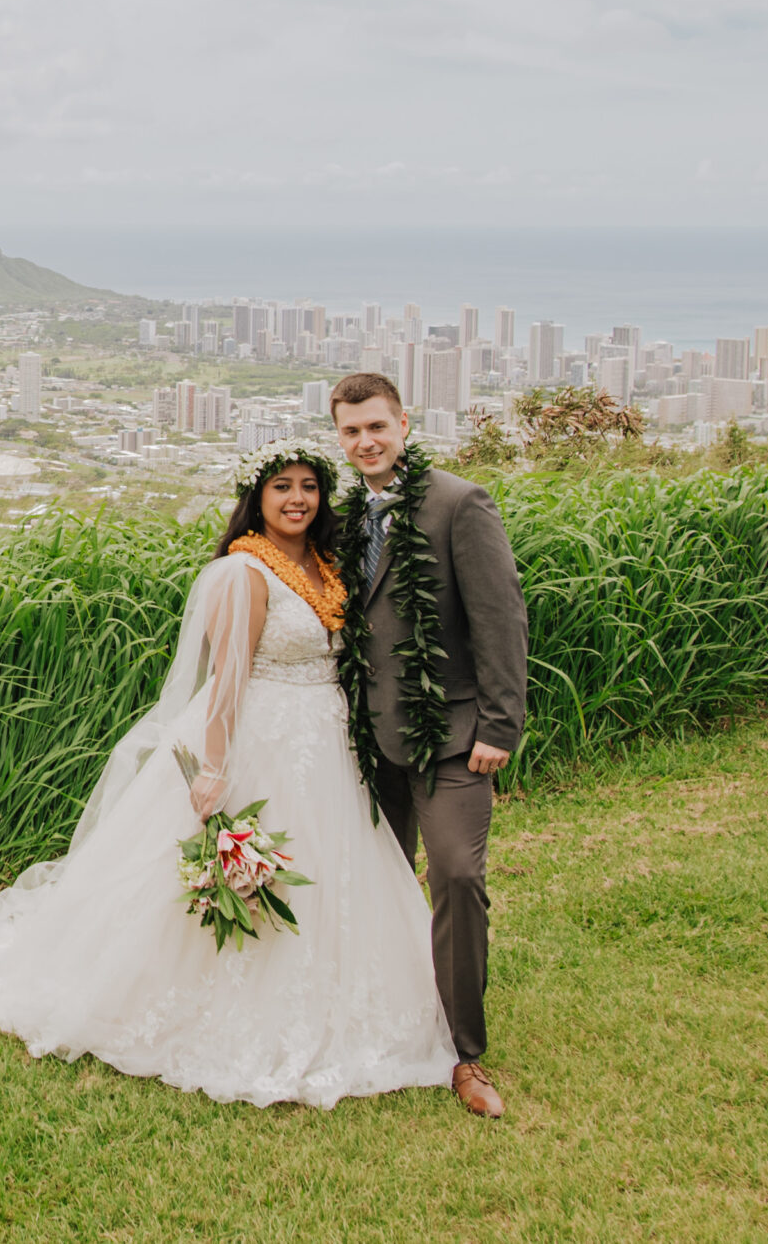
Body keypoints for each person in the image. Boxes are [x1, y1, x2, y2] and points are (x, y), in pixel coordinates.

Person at [0, 439, 456, 1109]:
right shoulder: (245, 572)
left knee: (334, 872)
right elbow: (228, 678)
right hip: (261, 734)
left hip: (325, 737)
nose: (297, 498)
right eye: (281, 486)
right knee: (244, 874)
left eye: (309, 486)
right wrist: (213, 768)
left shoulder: (324, 565)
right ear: (256, 499)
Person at [327, 371, 528, 1119]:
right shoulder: (346, 516)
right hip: (369, 739)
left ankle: (464, 1052)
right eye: (350, 431)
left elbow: (501, 617)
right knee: (373, 880)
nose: (365, 441)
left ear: (404, 422)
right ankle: (380, 1019)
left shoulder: (458, 502)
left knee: (456, 876)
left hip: (453, 735)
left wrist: (500, 726)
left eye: (376, 426)